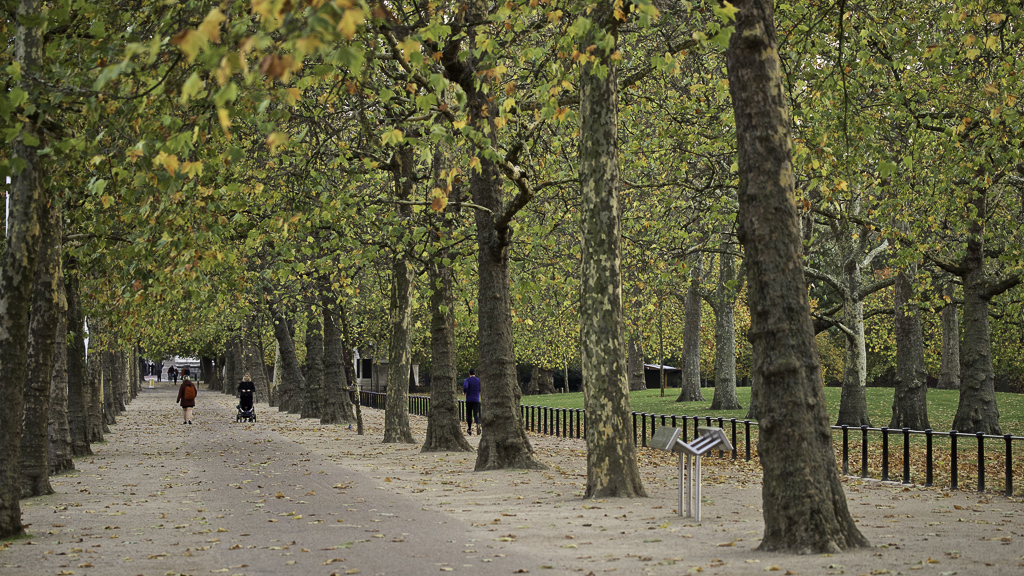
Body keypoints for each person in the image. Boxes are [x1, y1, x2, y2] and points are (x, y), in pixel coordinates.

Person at [462, 369, 481, 435]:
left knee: (469, 414)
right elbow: (480, 388)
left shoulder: (467, 380)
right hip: (476, 399)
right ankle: (478, 424)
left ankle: (469, 429)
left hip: (469, 399)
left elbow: (465, 386)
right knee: (476, 414)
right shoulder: (478, 380)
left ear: (469, 374)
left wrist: (464, 391)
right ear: (475, 373)